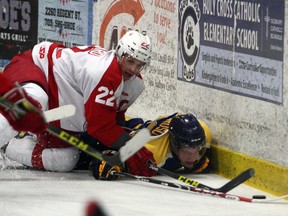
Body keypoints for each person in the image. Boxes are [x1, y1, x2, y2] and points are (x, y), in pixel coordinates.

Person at [0, 30, 156, 176]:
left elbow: (115, 119)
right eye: (130, 61)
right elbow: (100, 128)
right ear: (120, 53)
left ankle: (9, 147)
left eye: (140, 65)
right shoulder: (103, 73)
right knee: (36, 99)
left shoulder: (135, 85)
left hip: (58, 101)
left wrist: (114, 153)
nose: (133, 69)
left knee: (66, 159)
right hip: (36, 66)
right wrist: (132, 147)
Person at [91, 112, 212, 180]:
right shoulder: (153, 154)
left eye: (197, 151)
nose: (193, 158)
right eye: (187, 152)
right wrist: (107, 161)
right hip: (125, 131)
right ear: (175, 145)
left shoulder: (202, 131)